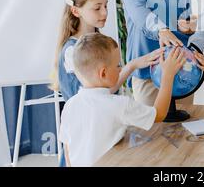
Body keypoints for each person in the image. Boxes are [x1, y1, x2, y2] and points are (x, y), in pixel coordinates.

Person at [54, 0, 163, 167]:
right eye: (97, 8)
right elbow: (98, 95)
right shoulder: (73, 52)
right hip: (88, 150)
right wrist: (132, 66)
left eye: (106, 6)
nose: (104, 13)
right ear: (76, 11)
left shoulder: (97, 42)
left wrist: (135, 63)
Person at [59, 33, 185, 166]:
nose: (120, 69)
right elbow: (158, 114)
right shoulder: (119, 104)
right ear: (103, 73)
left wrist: (133, 65)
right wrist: (168, 75)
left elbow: (67, 149)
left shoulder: (70, 105)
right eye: (118, 65)